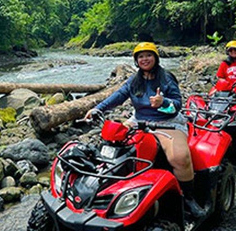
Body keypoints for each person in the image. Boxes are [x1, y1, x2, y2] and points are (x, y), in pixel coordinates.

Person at [84, 42, 207, 218]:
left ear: (155, 57)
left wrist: (163, 102)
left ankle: (188, 198)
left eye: (148, 55)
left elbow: (177, 105)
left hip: (167, 122)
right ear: (136, 60)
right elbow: (118, 96)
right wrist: (98, 109)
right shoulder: (134, 80)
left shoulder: (166, 78)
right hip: (139, 120)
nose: (145, 59)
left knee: (179, 158)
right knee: (111, 143)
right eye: (140, 56)